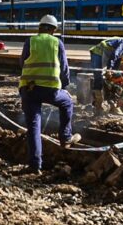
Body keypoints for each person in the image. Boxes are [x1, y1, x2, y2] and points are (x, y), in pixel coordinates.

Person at [19, 15, 81, 175]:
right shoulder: (57, 42)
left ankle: (35, 166)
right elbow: (65, 69)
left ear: (39, 28)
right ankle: (66, 137)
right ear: (53, 29)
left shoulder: (30, 41)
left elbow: (22, 63)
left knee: (33, 126)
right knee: (67, 102)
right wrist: (65, 86)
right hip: (50, 90)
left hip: (29, 89)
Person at [89, 37, 123, 112]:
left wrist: (114, 75)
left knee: (109, 80)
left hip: (103, 54)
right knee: (98, 76)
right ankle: (98, 104)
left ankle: (111, 104)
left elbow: (115, 67)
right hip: (98, 52)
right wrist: (109, 69)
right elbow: (115, 54)